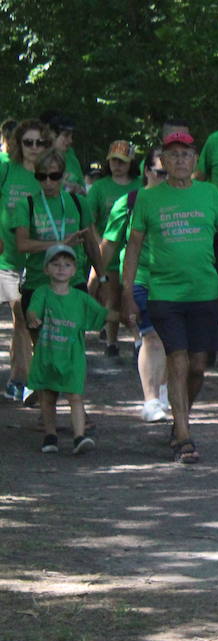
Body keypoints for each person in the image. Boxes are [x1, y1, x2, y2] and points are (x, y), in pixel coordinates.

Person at [122, 130, 218, 464]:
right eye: (173, 154)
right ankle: (183, 436)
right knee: (178, 361)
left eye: (186, 153)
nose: (180, 159)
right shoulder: (149, 199)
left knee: (198, 366)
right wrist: (126, 292)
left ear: (195, 160)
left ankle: (181, 417)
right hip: (165, 293)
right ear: (163, 161)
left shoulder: (209, 193)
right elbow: (134, 246)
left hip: (204, 293)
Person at [14, 149, 103, 406]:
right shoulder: (27, 204)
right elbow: (21, 244)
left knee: (73, 349)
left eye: (54, 176)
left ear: (63, 175)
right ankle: (47, 412)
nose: (49, 183)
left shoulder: (77, 203)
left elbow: (90, 242)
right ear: (36, 176)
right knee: (44, 352)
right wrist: (59, 242)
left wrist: (103, 277)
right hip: (38, 285)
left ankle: (79, 412)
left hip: (72, 286)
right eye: (42, 176)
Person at [99, 147, 170, 423]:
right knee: (151, 335)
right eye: (161, 172)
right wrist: (96, 279)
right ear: (147, 172)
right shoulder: (129, 202)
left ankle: (163, 393)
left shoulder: (184, 200)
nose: (167, 178)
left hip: (175, 281)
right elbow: (108, 246)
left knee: (168, 341)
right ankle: (151, 399)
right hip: (139, 278)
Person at [29, 245, 111, 455]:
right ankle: (50, 435)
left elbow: (102, 314)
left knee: (75, 396)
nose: (61, 269)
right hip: (47, 354)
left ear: (75, 270)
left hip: (73, 356)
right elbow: (32, 310)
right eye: (55, 264)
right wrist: (33, 317)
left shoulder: (81, 298)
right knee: (47, 395)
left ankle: (79, 436)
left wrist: (128, 318)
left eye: (67, 264)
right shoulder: (42, 292)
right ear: (46, 269)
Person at [0, 119, 49, 400]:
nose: (33, 148)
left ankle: (19, 378)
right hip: (7, 257)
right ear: (18, 144)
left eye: (39, 142)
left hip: (38, 257)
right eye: (27, 142)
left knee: (29, 318)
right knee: (20, 315)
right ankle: (23, 381)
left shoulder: (48, 174)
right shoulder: (6, 170)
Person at [86, 140, 139, 357]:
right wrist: (100, 243)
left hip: (134, 251)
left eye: (123, 161)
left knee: (132, 295)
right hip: (108, 252)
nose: (118, 165)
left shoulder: (138, 186)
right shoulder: (100, 187)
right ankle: (111, 340)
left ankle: (138, 339)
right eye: (114, 161)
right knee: (110, 297)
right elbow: (89, 219)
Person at [40, 112, 86, 196]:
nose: (70, 140)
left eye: (71, 136)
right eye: (66, 135)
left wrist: (78, 188)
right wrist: (63, 185)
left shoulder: (72, 158)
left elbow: (83, 189)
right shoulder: (38, 158)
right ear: (51, 134)